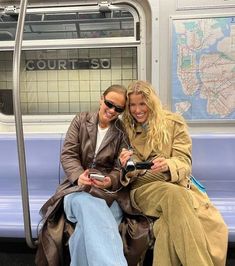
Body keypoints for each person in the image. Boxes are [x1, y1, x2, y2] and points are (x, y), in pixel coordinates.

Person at [119, 80, 228, 266]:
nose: (137, 110)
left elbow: (184, 162)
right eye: (132, 105)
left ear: (151, 102)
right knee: (174, 195)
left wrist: (169, 165)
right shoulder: (124, 129)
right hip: (143, 190)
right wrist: (126, 164)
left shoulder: (173, 124)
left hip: (174, 184)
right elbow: (127, 172)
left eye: (142, 104)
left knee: (166, 228)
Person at [35, 84, 133, 266]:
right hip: (77, 190)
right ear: (101, 99)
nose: (111, 111)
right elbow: (68, 154)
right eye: (109, 104)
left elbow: (120, 169)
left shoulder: (121, 133)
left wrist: (110, 180)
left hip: (107, 194)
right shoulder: (81, 120)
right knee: (95, 212)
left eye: (118, 109)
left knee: (85, 232)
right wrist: (79, 176)